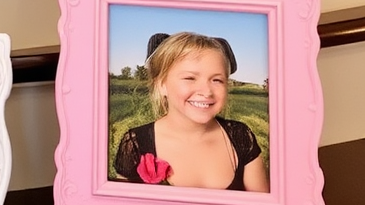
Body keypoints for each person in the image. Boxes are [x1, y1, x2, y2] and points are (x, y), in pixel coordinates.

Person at [112, 32, 269, 192]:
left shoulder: (241, 136)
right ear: (161, 85)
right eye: (190, 78)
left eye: (217, 80)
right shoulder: (136, 144)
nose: (207, 91)